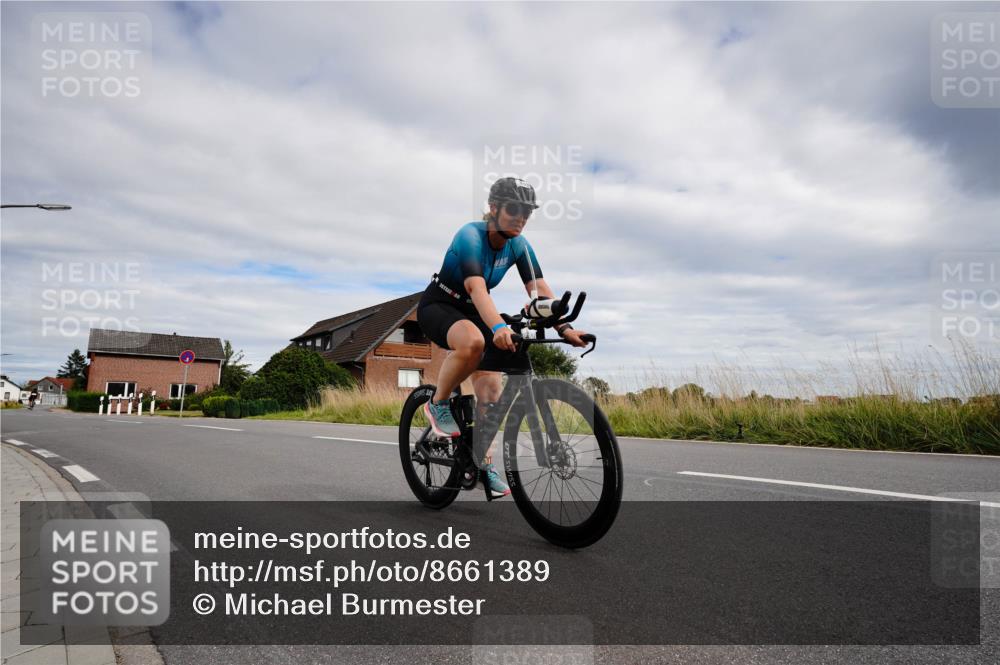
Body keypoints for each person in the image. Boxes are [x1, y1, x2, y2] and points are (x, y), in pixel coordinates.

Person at [417, 177, 590, 497]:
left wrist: (564, 328)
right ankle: (437, 404)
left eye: (527, 212)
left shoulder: (519, 245)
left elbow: (539, 291)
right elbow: (476, 288)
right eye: (514, 209)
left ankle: (482, 462)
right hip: (439, 305)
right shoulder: (470, 236)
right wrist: (498, 328)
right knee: (473, 341)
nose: (521, 217)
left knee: (492, 390)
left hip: (475, 313)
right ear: (493, 208)